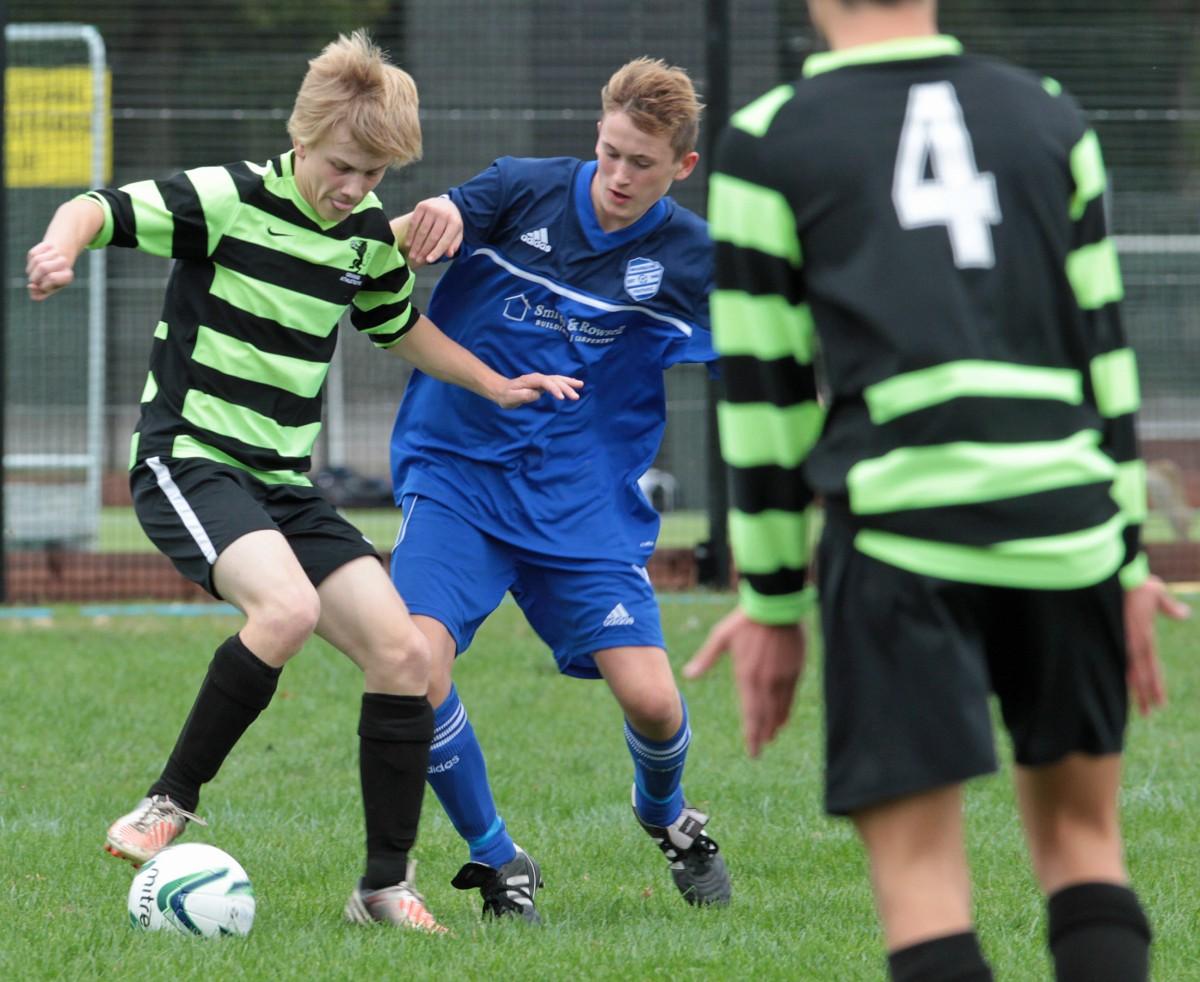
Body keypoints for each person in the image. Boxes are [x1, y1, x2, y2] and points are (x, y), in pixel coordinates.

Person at [25, 30, 580, 933]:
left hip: (283, 482)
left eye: (374, 174)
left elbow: (396, 327)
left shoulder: (364, 238)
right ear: (304, 132)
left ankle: (382, 887)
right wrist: (59, 248)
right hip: (189, 459)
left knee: (403, 654)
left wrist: (493, 381)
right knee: (284, 611)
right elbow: (98, 205)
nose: (357, 188)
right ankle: (167, 803)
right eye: (343, 166)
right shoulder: (230, 197)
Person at [690, 1, 1190, 979]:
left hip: (899, 533)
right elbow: (1107, 359)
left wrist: (774, 603)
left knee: (923, 883)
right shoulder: (1050, 114)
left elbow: (765, 401)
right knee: (1087, 848)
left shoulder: (767, 141)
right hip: (1067, 522)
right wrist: (1124, 558)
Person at [385, 56, 730, 922]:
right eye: (610, 152)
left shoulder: (691, 258)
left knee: (653, 702)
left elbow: (778, 341)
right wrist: (425, 217)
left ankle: (665, 815)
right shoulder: (520, 190)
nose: (618, 176)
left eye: (642, 164)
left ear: (682, 167)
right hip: (459, 476)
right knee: (413, 664)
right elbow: (435, 220)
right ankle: (498, 860)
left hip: (579, 503)